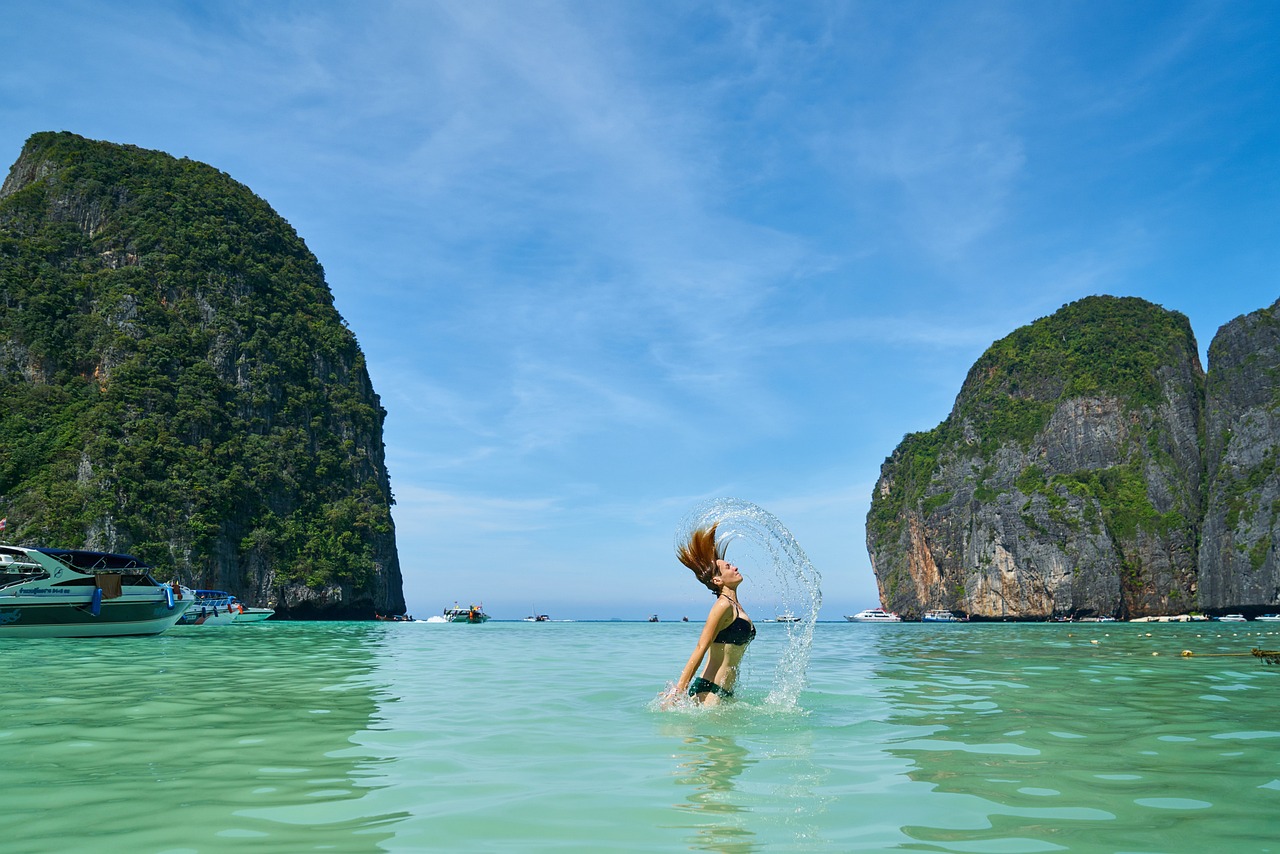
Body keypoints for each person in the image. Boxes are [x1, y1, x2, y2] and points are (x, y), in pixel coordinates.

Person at [664, 523, 756, 706]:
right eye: (728, 567)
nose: (735, 567)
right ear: (717, 580)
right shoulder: (723, 605)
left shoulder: (735, 606)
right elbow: (701, 646)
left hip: (725, 692)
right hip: (710, 691)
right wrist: (680, 690)